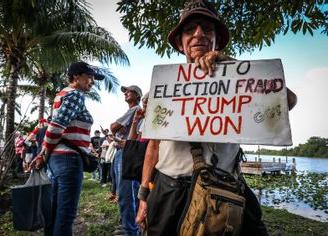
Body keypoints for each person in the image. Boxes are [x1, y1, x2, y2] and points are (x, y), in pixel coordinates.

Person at [135, 1, 297, 236]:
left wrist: (230, 64)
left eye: (206, 29)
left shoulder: (240, 81)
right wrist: (143, 197)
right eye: (189, 30)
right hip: (170, 191)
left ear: (216, 40)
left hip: (226, 189)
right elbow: (153, 145)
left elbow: (288, 101)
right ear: (181, 44)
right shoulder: (161, 90)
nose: (198, 34)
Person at [30, 61, 105, 236]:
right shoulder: (75, 95)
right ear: (76, 76)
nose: (92, 81)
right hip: (68, 160)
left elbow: (54, 126)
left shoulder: (61, 95)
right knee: (65, 216)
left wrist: (45, 153)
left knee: (54, 214)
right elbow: (56, 125)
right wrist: (43, 152)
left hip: (58, 160)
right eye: (89, 76)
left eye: (94, 78)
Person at [110, 85, 143, 236]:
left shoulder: (134, 110)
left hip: (126, 152)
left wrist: (117, 127)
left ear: (137, 95)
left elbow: (113, 127)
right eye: (125, 92)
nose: (126, 93)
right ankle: (131, 226)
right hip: (127, 151)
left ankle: (130, 230)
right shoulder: (134, 111)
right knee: (131, 190)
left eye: (129, 91)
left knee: (125, 192)